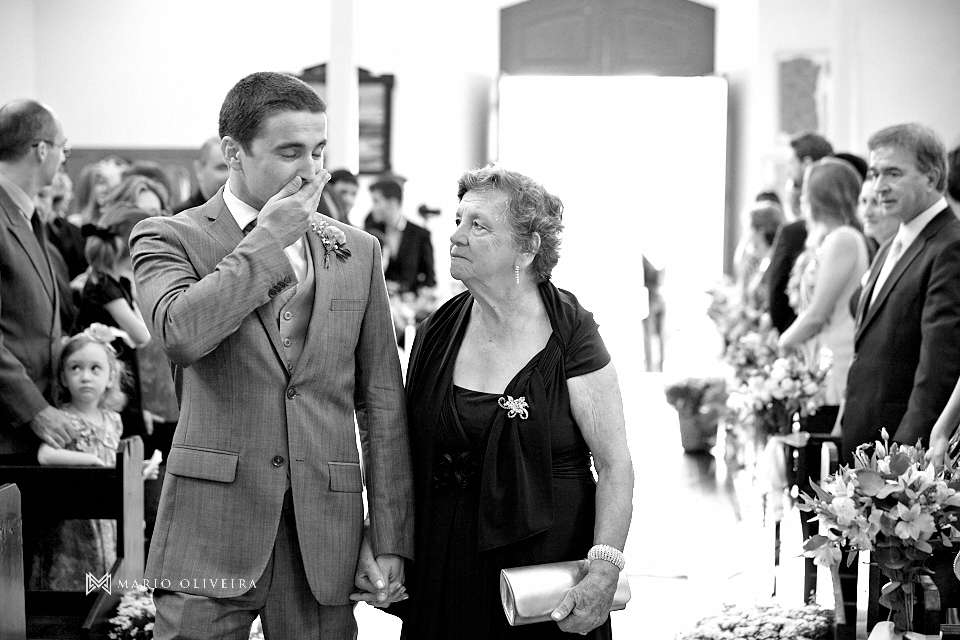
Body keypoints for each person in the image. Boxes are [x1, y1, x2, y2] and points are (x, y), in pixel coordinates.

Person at [130, 71, 413, 639]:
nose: (310, 170)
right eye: (289, 152)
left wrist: (388, 537)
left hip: (323, 528)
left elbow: (381, 401)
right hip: (210, 525)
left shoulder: (357, 251)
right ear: (234, 152)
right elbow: (180, 333)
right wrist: (267, 239)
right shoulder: (167, 237)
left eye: (317, 151)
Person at [382, 165, 634, 638]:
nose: (455, 236)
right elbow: (402, 451)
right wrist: (387, 544)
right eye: (458, 220)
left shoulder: (571, 334)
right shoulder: (437, 330)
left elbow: (616, 464)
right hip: (444, 565)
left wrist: (604, 569)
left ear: (528, 246)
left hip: (539, 578)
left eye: (477, 225)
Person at [843, 123, 960, 463]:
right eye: (875, 173)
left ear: (932, 176)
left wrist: (906, 458)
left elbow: (939, 365)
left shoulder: (950, 246)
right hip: (866, 438)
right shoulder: (893, 243)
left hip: (899, 451)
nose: (879, 187)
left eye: (893, 173)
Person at [0, 99, 74, 461]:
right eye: (64, 148)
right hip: (10, 424)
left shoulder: (26, 214)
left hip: (30, 430)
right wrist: (34, 409)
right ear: (42, 149)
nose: (63, 160)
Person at [29, 326, 127, 590]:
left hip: (107, 514)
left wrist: (136, 469)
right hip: (74, 515)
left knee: (106, 571)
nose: (85, 377)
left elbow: (113, 462)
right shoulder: (62, 418)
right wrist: (91, 462)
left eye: (95, 368)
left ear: (110, 377)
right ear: (62, 377)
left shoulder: (113, 420)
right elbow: (46, 455)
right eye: (75, 368)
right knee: (74, 574)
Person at [779, 158, 869, 408]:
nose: (801, 199)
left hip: (833, 362)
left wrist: (782, 344)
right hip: (818, 360)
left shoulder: (843, 239)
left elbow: (818, 312)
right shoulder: (829, 239)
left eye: (806, 191)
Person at [767, 132, 834, 334]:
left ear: (806, 164)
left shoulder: (794, 233)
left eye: (791, 163)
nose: (788, 171)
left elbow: (777, 297)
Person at [366, 178, 436, 294]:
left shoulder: (420, 235)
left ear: (393, 202)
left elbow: (430, 279)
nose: (373, 208)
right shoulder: (371, 231)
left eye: (376, 201)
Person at [733, 202, 784, 311]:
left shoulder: (776, 261)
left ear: (761, 231)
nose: (747, 236)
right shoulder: (762, 260)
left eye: (749, 229)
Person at [174, 136, 230, 213]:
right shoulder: (179, 218)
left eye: (234, 168)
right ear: (199, 170)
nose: (229, 175)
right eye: (222, 168)